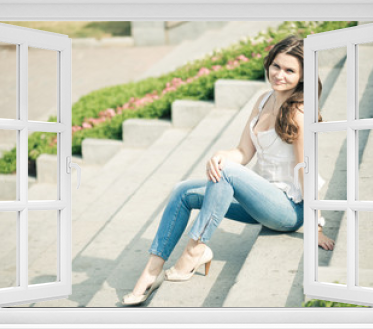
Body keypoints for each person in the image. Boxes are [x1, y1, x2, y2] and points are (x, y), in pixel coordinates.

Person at [122, 35, 336, 306]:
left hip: (287, 209)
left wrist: (315, 226)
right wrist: (222, 155)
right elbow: (244, 153)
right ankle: (150, 273)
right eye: (276, 66)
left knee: (227, 173)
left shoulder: (298, 112)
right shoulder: (263, 100)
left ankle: (194, 250)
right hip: (259, 201)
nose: (280, 75)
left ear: (303, 76)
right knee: (183, 191)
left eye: (290, 70)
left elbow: (306, 168)